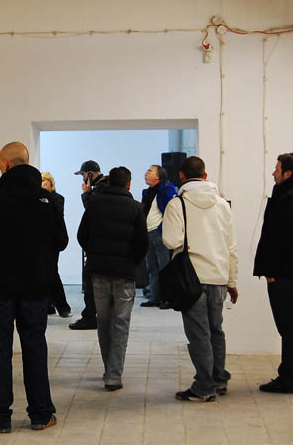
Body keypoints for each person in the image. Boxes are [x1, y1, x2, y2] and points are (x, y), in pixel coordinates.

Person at [0, 142, 68, 433]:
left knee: (0, 351)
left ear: (4, 164)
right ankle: (41, 414)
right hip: (36, 288)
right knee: (35, 347)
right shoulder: (47, 200)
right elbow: (61, 242)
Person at [162, 156, 238, 402]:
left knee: (198, 334)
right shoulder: (222, 205)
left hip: (191, 278)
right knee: (216, 330)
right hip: (218, 276)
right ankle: (218, 378)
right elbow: (231, 246)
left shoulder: (177, 204)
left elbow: (171, 241)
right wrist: (232, 280)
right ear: (205, 176)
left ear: (181, 176)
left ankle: (205, 386)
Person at [77, 166, 148, 391]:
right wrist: (131, 261)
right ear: (128, 184)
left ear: (109, 182)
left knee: (104, 321)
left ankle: (109, 368)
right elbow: (142, 243)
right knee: (121, 323)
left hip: (98, 271)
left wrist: (95, 254)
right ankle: (113, 374)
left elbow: (82, 235)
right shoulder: (136, 208)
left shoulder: (94, 204)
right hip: (124, 274)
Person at [254, 153, 293, 394]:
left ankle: (289, 378)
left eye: (277, 169)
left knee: (289, 327)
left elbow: (278, 240)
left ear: (288, 173)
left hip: (285, 276)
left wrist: (271, 272)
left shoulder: (288, 200)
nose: (273, 173)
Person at [69, 160, 108, 330]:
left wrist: (86, 193)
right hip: (102, 245)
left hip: (98, 246)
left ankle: (90, 317)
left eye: (84, 175)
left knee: (90, 283)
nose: (83, 179)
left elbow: (92, 211)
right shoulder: (103, 187)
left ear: (90, 174)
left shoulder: (100, 189)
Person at [140, 165, 177, 308]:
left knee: (164, 267)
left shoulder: (167, 190)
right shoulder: (147, 193)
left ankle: (168, 298)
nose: (146, 173)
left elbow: (171, 211)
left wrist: (163, 228)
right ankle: (155, 297)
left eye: (149, 171)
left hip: (159, 232)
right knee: (152, 268)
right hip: (148, 233)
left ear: (158, 176)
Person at [41, 172, 71, 318]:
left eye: (43, 181)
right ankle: (49, 305)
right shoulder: (39, 198)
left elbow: (56, 216)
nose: (41, 183)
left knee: (52, 272)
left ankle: (63, 307)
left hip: (52, 241)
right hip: (42, 241)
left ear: (50, 183)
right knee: (46, 272)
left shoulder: (57, 198)